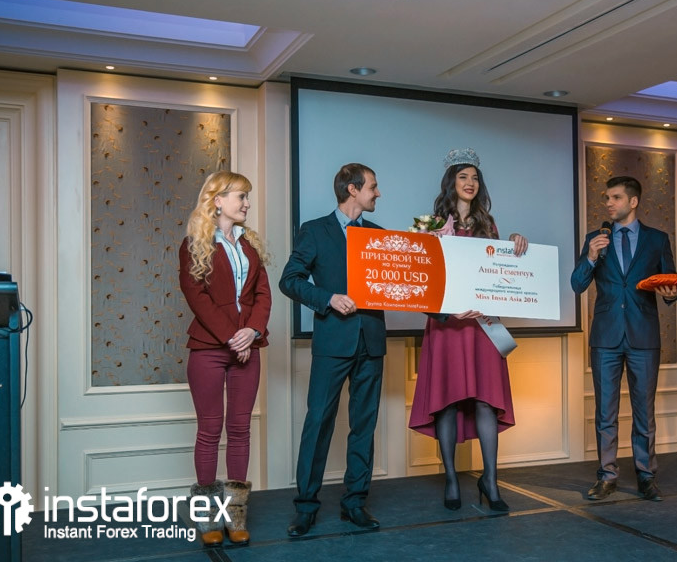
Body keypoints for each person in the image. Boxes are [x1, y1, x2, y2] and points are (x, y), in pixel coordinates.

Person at [408, 148, 528, 512]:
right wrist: (447, 309)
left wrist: (515, 243)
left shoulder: (489, 225)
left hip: (481, 327)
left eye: (475, 178)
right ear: (451, 182)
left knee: (486, 400)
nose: (470, 183)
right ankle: (450, 478)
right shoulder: (429, 225)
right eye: (463, 177)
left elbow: (498, 272)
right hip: (447, 325)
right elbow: (421, 281)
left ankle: (490, 481)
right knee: (447, 402)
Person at [279, 163, 387, 537]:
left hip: (371, 343)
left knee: (364, 427)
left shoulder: (379, 235)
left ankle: (355, 504)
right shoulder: (314, 230)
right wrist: (328, 298)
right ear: (352, 189)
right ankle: (306, 507)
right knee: (318, 423)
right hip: (332, 343)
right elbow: (289, 280)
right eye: (373, 187)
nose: (378, 193)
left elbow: (401, 285)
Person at [570, 175, 677, 502]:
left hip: (644, 337)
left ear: (633, 201)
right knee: (605, 413)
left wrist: (671, 294)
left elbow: (670, 284)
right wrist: (590, 257)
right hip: (605, 338)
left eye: (616, 197)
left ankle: (646, 476)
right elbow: (577, 284)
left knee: (644, 413)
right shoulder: (595, 238)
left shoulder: (657, 239)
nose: (609, 203)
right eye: (607, 197)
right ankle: (607, 476)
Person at [178, 171, 272, 546]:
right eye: (240, 196)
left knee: (240, 429)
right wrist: (234, 336)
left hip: (248, 347)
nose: (247, 203)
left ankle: (235, 516)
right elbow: (196, 296)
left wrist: (253, 331)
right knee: (209, 430)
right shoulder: (194, 244)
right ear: (217, 200)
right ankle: (207, 518)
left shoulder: (250, 244)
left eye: (247, 196)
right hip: (208, 349)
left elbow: (263, 295)